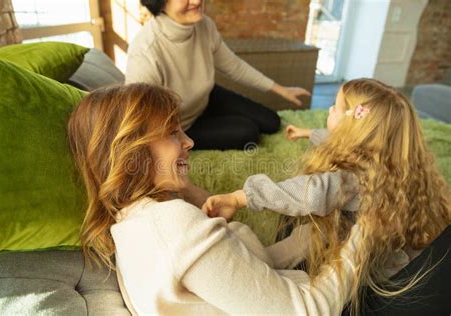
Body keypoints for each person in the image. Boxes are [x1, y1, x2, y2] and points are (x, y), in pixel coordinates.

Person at [67, 83, 362, 315]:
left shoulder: (131, 222)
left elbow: (246, 273)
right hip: (316, 303)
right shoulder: (174, 226)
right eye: (172, 133)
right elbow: (307, 310)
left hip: (282, 289)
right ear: (131, 155)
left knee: (301, 209)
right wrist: (364, 236)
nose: (189, 141)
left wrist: (309, 237)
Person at [203, 78, 451, 314]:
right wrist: (307, 132)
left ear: (352, 125)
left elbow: (309, 192)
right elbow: (338, 140)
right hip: (379, 245)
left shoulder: (349, 180)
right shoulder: (390, 163)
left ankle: (259, 268)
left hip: (358, 267)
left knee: (303, 237)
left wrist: (240, 197)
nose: (330, 108)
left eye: (337, 107)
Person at [126, 0, 311, 150]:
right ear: (160, 3)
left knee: (272, 122)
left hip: (206, 97)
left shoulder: (204, 25)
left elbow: (234, 66)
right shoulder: (145, 52)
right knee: (248, 133)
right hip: (180, 125)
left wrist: (281, 90)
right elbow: (140, 122)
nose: (197, 1)